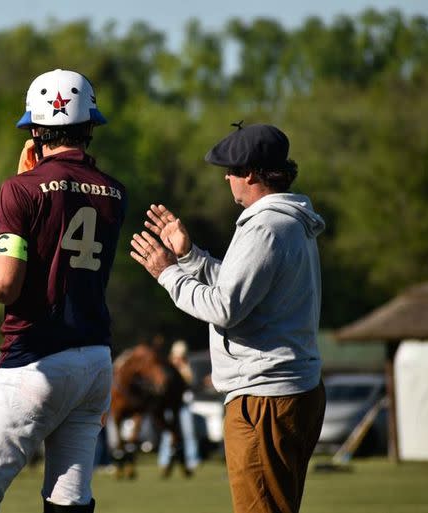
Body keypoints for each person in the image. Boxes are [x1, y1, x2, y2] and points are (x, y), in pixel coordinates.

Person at [0, 68, 126, 513]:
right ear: (89, 125)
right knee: (69, 504)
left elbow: (2, 286)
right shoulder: (115, 191)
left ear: (35, 129)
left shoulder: (21, 189)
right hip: (94, 362)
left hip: (36, 363)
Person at [130, 122, 326, 513]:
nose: (227, 177)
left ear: (251, 174)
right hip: (287, 390)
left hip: (264, 397)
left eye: (232, 170)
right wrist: (190, 257)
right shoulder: (287, 222)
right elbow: (244, 292)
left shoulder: (265, 226)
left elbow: (224, 307)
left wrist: (167, 272)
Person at [156, 340, 201, 477]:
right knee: (168, 434)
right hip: (170, 404)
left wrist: (183, 367)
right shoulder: (167, 367)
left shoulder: (187, 366)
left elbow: (191, 381)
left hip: (184, 404)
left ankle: (192, 459)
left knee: (189, 433)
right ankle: (164, 460)